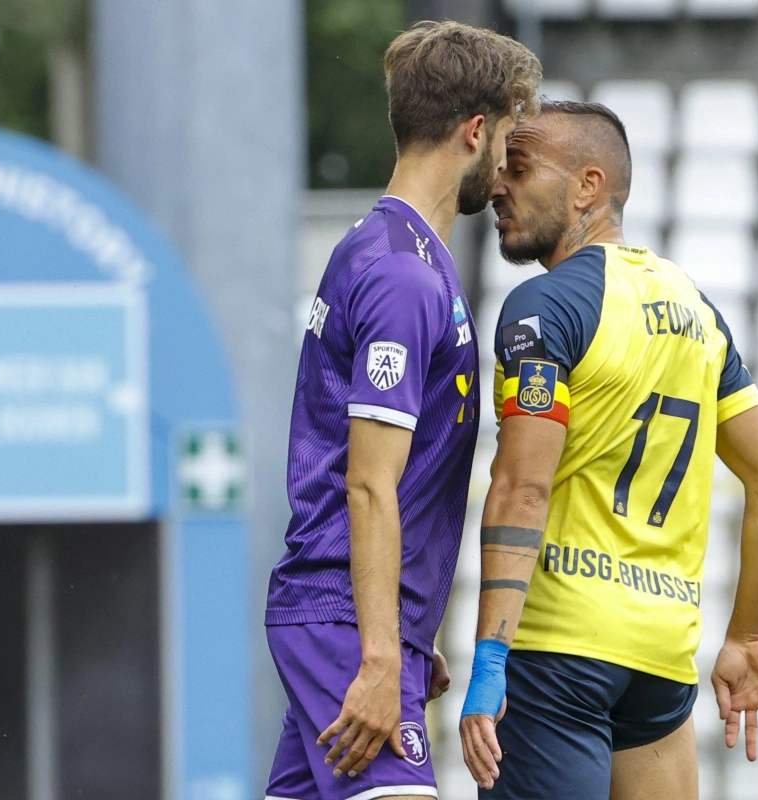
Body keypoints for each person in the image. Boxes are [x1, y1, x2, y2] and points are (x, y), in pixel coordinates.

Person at [457, 101, 758, 799]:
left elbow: (523, 487)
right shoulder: (698, 310)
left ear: (588, 185)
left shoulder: (545, 307)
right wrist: (750, 638)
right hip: (661, 661)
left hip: (558, 652)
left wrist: (490, 657)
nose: (498, 187)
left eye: (519, 169)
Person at [263, 21, 541, 800]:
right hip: (346, 624)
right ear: (476, 130)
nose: (510, 160)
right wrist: (383, 653)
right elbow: (368, 483)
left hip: (359, 619)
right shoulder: (403, 278)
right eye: (511, 136)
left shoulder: (387, 250)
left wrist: (407, 632)